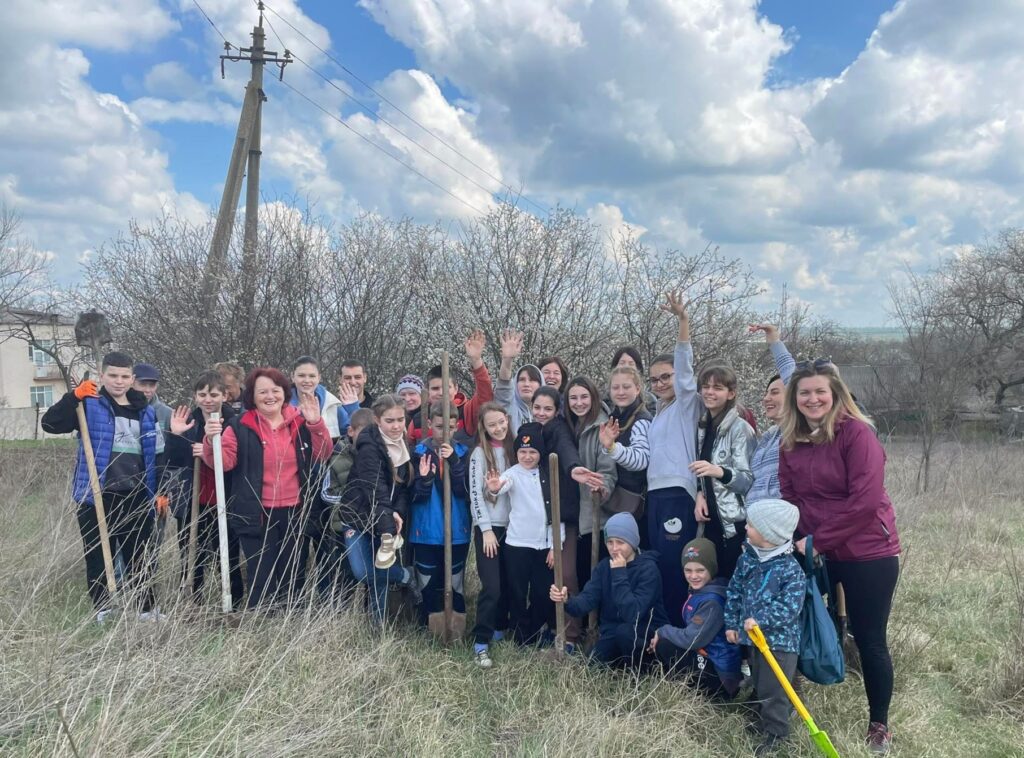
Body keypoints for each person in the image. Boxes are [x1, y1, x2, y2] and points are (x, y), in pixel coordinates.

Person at [778, 360, 901, 754]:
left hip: (868, 551)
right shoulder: (791, 439)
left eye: (820, 392)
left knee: (869, 639)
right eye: (804, 393)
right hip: (816, 549)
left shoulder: (857, 434)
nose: (812, 399)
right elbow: (790, 495)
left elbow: (864, 503)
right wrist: (804, 539)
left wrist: (817, 539)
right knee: (802, 625)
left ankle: (879, 723)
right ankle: (787, 706)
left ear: (835, 395)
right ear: (794, 399)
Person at [41, 351, 166, 623]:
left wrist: (160, 491)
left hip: (136, 494)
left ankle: (145, 609)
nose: (119, 382)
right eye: (112, 376)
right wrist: (72, 398)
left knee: (141, 554)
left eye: (124, 377)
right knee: (98, 554)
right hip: (97, 494)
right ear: (102, 376)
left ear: (132, 379)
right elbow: (50, 423)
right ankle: (104, 609)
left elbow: (157, 454)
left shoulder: (145, 411)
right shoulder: (89, 404)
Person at [202, 367, 332, 610]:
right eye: (263, 391)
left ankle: (290, 622)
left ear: (284, 392)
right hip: (256, 512)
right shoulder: (239, 425)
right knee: (262, 574)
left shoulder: (300, 422)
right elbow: (224, 462)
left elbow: (323, 453)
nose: (270, 396)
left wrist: (316, 423)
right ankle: (261, 627)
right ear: (252, 395)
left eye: (275, 390)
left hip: (295, 510)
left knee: (293, 572)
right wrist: (211, 441)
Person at [724, 499, 805, 756]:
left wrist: (761, 619)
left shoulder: (791, 570)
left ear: (769, 535)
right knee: (759, 682)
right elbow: (735, 591)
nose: (746, 528)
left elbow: (790, 607)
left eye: (751, 525)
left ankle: (776, 734)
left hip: (780, 644)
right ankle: (762, 722)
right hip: (753, 640)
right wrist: (732, 623)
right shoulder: (747, 559)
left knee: (774, 689)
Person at [532, 386, 606, 652]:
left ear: (557, 411)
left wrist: (573, 468)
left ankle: (570, 635)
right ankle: (547, 627)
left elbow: (565, 449)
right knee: (542, 575)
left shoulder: (558, 429)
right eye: (537, 408)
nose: (542, 413)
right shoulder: (529, 432)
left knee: (566, 574)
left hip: (563, 515)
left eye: (548, 409)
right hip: (536, 516)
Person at [644, 291, 702, 627]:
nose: (661, 383)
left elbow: (684, 371)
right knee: (661, 564)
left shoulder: (686, 404)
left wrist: (683, 322)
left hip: (678, 494)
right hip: (656, 495)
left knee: (679, 564)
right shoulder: (658, 414)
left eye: (666, 376)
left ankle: (685, 631)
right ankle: (664, 632)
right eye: (654, 379)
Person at [165, 371, 244, 609]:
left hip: (225, 499)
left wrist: (210, 449)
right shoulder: (189, 421)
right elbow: (173, 461)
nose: (208, 399)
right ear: (196, 397)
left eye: (213, 394)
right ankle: (192, 603)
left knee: (227, 555)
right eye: (202, 394)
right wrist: (177, 436)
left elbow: (237, 460)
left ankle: (234, 602)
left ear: (224, 395)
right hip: (194, 501)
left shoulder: (234, 421)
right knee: (192, 555)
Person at [337, 394, 419, 624]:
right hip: (359, 517)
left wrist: (397, 514)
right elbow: (374, 489)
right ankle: (405, 575)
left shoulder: (405, 447)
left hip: (386, 518)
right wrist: (388, 528)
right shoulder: (369, 447)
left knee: (379, 578)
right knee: (363, 571)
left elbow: (402, 490)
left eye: (400, 420)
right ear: (377, 420)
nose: (396, 426)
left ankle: (378, 625)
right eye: (389, 421)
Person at [550, 512, 665, 669]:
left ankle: (642, 671)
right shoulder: (604, 567)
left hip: (644, 631)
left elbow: (633, 614)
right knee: (594, 665)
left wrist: (619, 573)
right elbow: (587, 600)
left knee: (625, 633)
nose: (614, 548)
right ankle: (620, 665)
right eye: (610, 542)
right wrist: (566, 599)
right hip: (612, 631)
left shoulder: (649, 569)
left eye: (620, 542)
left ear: (633, 543)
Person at [485, 424, 555, 646]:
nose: (527, 456)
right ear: (516, 453)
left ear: (540, 454)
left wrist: (555, 544)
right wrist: (495, 487)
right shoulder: (513, 472)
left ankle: (534, 631)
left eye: (532, 452)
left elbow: (556, 512)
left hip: (543, 545)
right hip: (517, 544)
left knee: (542, 593)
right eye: (522, 452)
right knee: (517, 592)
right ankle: (519, 635)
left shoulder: (548, 474)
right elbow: (502, 485)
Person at [649, 538, 741, 699]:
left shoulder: (712, 601)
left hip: (722, 678)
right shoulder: (701, 591)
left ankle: (703, 696)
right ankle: (680, 689)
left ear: (711, 569)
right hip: (709, 662)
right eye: (688, 570)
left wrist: (662, 631)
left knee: (666, 644)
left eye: (700, 570)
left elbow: (692, 639)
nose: (693, 576)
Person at [690, 362, 755, 579]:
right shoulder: (704, 425)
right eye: (705, 386)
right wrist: (701, 492)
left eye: (717, 388)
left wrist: (719, 471)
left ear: (731, 393)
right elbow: (704, 473)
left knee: (733, 585)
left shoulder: (740, 428)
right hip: (711, 523)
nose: (709, 392)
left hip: (735, 525)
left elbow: (747, 480)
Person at [410, 402, 472, 631]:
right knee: (428, 582)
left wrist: (454, 462)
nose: (445, 433)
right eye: (438, 427)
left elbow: (464, 492)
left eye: (451, 428)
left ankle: (456, 629)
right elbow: (414, 497)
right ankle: (430, 627)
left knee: (455, 583)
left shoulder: (464, 453)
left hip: (457, 531)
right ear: (429, 424)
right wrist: (425, 480)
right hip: (425, 531)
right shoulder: (417, 453)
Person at [467, 402, 514, 667]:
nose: (498, 428)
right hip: (489, 528)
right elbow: (476, 494)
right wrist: (485, 530)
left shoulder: (515, 449)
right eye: (491, 424)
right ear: (483, 428)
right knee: (492, 586)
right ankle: (481, 641)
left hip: (514, 527)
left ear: (507, 419)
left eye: (501, 422)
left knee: (508, 583)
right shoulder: (478, 454)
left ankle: (500, 628)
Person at [319, 408, 376, 605]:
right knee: (347, 572)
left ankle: (370, 612)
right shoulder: (337, 455)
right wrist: (353, 502)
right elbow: (326, 493)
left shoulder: (376, 453)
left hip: (371, 524)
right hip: (343, 526)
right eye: (363, 433)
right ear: (351, 431)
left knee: (370, 571)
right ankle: (343, 610)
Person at [564, 377, 616, 588]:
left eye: (584, 397)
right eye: (573, 398)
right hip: (570, 512)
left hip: (594, 514)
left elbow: (608, 472)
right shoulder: (567, 424)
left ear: (593, 397)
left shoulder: (602, 426)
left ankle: (596, 621)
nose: (579, 403)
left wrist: (601, 488)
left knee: (593, 575)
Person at [413, 329, 494, 445]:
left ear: (456, 388)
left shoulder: (466, 412)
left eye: (446, 388)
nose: (441, 393)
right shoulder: (418, 420)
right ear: (428, 390)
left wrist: (476, 361)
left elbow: (485, 395)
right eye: (435, 388)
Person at [745, 325, 797, 505]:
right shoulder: (768, 437)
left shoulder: (797, 431)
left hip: (780, 521)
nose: (766, 398)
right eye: (766, 393)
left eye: (774, 392)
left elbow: (794, 379)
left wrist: (774, 341)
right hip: (755, 523)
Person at [598, 365, 653, 536]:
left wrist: (612, 447)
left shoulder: (641, 421)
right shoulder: (616, 418)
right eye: (615, 387)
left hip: (633, 501)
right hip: (618, 499)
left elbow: (641, 459)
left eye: (626, 387)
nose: (620, 392)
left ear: (637, 389)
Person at [494, 328, 541, 433]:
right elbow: (504, 386)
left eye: (532, 380)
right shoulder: (509, 408)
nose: (526, 384)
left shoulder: (547, 413)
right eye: (522, 380)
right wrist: (507, 360)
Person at [610, 346, 657, 414]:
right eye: (622, 363)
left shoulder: (649, 400)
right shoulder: (605, 401)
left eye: (631, 364)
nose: (626, 366)